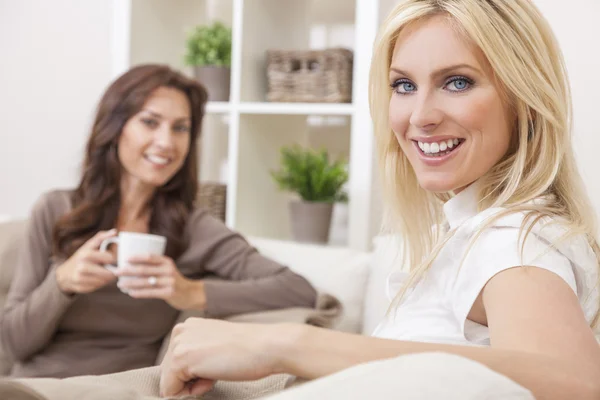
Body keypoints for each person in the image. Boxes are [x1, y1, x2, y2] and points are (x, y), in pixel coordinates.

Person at [157, 1, 600, 399]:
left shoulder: (510, 237)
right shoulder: (469, 231)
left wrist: (286, 344)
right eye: (404, 85)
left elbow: (574, 383)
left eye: (458, 82)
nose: (420, 116)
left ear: (524, 100)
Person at [0, 64, 318, 378]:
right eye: (150, 122)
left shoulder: (194, 229)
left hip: (118, 389)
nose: (167, 142)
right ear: (114, 128)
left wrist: (191, 292)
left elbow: (298, 290)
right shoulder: (56, 209)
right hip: (31, 386)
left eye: (180, 128)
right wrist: (61, 283)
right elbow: (13, 344)